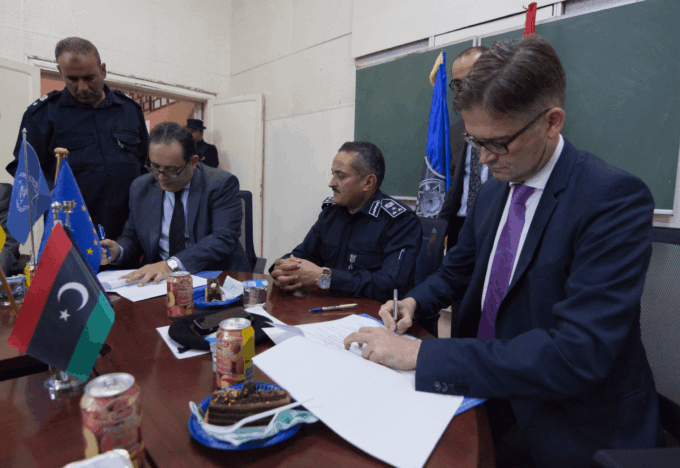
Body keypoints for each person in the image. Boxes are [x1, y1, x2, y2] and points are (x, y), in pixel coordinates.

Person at [344, 36, 662, 467]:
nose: (483, 159)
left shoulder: (612, 199)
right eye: (475, 141)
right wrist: (415, 302)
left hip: (565, 420)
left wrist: (421, 354)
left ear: (551, 122)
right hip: (482, 391)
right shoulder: (494, 193)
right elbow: (456, 271)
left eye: (497, 143)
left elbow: (576, 354)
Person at [5, 37, 149, 241]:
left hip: (129, 231)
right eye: (72, 79)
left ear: (103, 70)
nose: (82, 87)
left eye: (89, 78)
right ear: (60, 72)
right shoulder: (43, 115)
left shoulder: (129, 110)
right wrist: (55, 193)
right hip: (71, 230)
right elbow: (25, 169)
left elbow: (145, 166)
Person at [270, 142, 422, 303]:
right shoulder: (331, 213)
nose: (331, 183)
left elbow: (390, 285)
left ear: (368, 182)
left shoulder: (399, 222)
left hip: (372, 312)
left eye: (341, 176)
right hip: (325, 306)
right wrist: (282, 268)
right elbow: (303, 255)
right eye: (332, 174)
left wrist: (325, 277)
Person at [101, 122, 250, 285]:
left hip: (212, 277)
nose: (161, 177)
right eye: (155, 167)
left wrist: (170, 265)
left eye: (172, 170)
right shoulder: (141, 187)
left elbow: (223, 238)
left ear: (193, 162)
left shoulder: (221, 184)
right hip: (161, 281)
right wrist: (119, 251)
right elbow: (132, 237)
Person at [438, 46, 489, 252]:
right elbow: (456, 182)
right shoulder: (457, 129)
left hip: (496, 222)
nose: (464, 90)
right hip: (460, 225)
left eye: (471, 80)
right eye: (458, 84)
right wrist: (439, 226)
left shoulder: (512, 124)